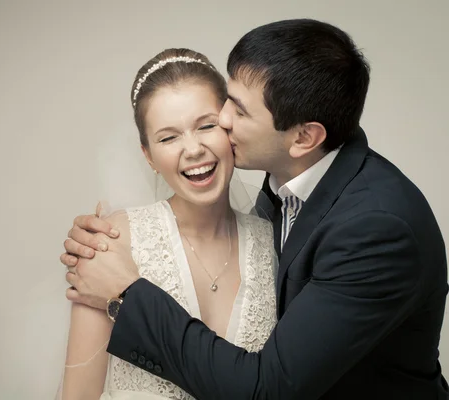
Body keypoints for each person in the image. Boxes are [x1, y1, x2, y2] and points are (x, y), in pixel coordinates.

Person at [61, 19, 448, 399]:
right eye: (227, 99)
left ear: (305, 137)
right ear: (147, 153)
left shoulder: (375, 228)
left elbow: (268, 390)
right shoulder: (287, 189)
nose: (224, 121)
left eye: (238, 112)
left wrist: (127, 295)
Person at [58, 48, 278, 400]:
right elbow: (78, 395)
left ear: (229, 127)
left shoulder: (275, 241)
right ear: (149, 156)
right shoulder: (110, 242)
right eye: (168, 137)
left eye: (206, 126)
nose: (193, 149)